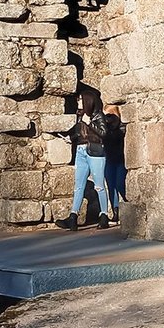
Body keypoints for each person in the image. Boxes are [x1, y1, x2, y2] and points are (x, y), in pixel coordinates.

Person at [56, 87, 109, 231]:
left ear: (87, 101)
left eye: (80, 99)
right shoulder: (80, 116)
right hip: (81, 151)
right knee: (78, 186)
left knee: (99, 185)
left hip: (95, 152)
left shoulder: (98, 116)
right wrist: (70, 138)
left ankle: (104, 215)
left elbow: (103, 133)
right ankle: (73, 216)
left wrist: (90, 121)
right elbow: (80, 133)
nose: (78, 102)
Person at [103, 103, 127, 224]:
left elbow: (118, 137)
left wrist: (114, 124)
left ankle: (128, 205)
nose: (107, 118)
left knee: (120, 184)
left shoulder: (121, 127)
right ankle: (115, 211)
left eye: (110, 115)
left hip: (120, 159)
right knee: (111, 186)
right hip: (109, 159)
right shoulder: (105, 127)